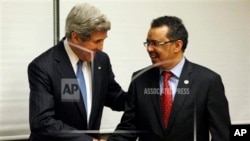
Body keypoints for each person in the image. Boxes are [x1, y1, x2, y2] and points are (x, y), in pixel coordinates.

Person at [108, 16, 231, 141]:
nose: (149, 49)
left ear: (177, 45)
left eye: (155, 43)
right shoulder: (139, 80)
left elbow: (221, 134)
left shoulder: (207, 81)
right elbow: (129, 128)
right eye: (148, 43)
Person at [28, 3, 126, 141]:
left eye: (103, 40)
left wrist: (146, 99)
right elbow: (43, 122)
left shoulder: (101, 60)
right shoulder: (43, 67)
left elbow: (115, 97)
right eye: (97, 41)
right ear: (76, 37)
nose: (101, 48)